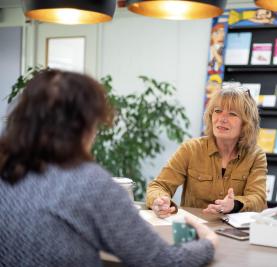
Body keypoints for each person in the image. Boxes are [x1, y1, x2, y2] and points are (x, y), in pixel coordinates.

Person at [0, 70, 218, 266]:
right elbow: (163, 261)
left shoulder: (7, 166)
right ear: (84, 125)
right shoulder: (87, 181)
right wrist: (208, 242)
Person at [147, 85, 267, 218]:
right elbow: (159, 186)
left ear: (246, 123)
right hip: (193, 230)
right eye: (218, 111)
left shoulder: (256, 156)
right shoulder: (190, 149)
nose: (222, 118)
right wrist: (160, 200)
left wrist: (235, 204)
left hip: (232, 232)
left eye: (232, 114)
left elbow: (259, 200)